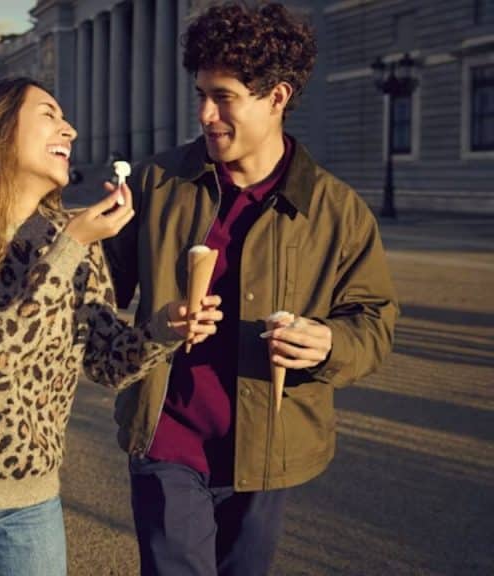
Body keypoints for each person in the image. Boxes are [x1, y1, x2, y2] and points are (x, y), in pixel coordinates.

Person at [0, 78, 221, 576]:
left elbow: (107, 361)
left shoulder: (73, 239)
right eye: (49, 114)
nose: (68, 128)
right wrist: (71, 244)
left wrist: (165, 328)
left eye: (65, 117)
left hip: (33, 499)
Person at [102, 4, 399, 575]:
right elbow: (96, 291)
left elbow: (374, 318)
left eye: (223, 96)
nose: (205, 114)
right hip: (168, 436)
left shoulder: (336, 209)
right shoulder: (157, 183)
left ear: (278, 97)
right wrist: (153, 327)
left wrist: (330, 343)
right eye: (200, 94)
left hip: (270, 448)